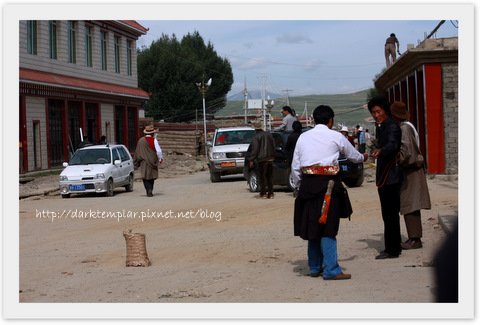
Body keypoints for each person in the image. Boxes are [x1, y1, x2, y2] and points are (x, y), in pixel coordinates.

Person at [292, 105, 368, 280]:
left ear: (313, 119)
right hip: (329, 186)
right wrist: (363, 157)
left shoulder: (303, 138)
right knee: (328, 227)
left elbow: (295, 167)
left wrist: (299, 185)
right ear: (330, 121)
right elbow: (353, 155)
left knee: (313, 225)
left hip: (308, 187)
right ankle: (331, 270)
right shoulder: (335, 136)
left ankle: (314, 267)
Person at [390, 101, 431, 249]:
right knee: (411, 204)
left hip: (411, 171)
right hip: (411, 170)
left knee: (411, 204)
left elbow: (406, 152)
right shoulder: (408, 126)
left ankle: (415, 239)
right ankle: (413, 237)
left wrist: (395, 160)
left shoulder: (404, 128)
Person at [367, 95, 403, 259]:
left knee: (390, 214)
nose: (376, 115)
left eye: (378, 111)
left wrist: (381, 151)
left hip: (391, 176)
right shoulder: (382, 127)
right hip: (384, 175)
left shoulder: (392, 126)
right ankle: (392, 246)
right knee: (387, 213)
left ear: (384, 111)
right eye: (373, 112)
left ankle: (392, 249)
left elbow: (393, 145)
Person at [134, 124, 163, 197]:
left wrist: (136, 161)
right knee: (152, 176)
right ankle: (150, 189)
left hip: (143, 161)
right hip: (152, 161)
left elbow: (137, 151)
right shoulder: (154, 140)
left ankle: (148, 190)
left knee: (145, 176)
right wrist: (160, 159)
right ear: (152, 133)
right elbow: (158, 151)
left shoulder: (140, 141)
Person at [248, 120, 276, 199]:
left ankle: (263, 193)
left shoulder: (256, 137)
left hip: (261, 159)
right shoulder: (269, 135)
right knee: (269, 177)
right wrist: (273, 156)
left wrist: (251, 159)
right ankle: (271, 193)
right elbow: (273, 146)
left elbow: (255, 149)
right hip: (270, 158)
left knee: (262, 177)